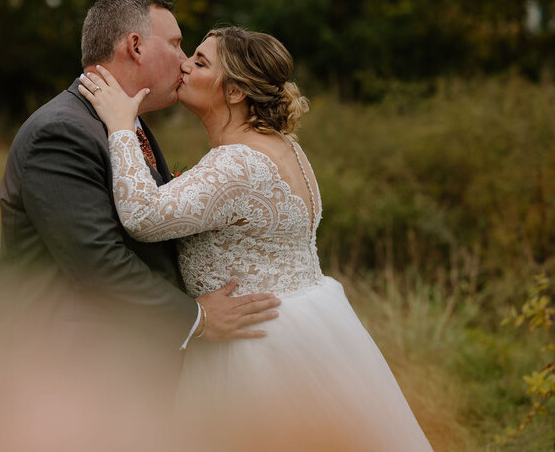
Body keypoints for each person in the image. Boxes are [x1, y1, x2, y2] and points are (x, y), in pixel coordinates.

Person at [80, 26, 434, 450]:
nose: (184, 65)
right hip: (309, 330)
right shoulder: (281, 145)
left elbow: (142, 216)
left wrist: (120, 127)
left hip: (254, 351)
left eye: (200, 60)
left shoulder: (238, 163)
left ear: (234, 93)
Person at [0, 0, 281, 402]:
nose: (184, 60)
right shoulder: (60, 132)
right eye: (175, 44)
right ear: (134, 46)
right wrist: (198, 318)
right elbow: (98, 261)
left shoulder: (125, 124)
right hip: (70, 377)